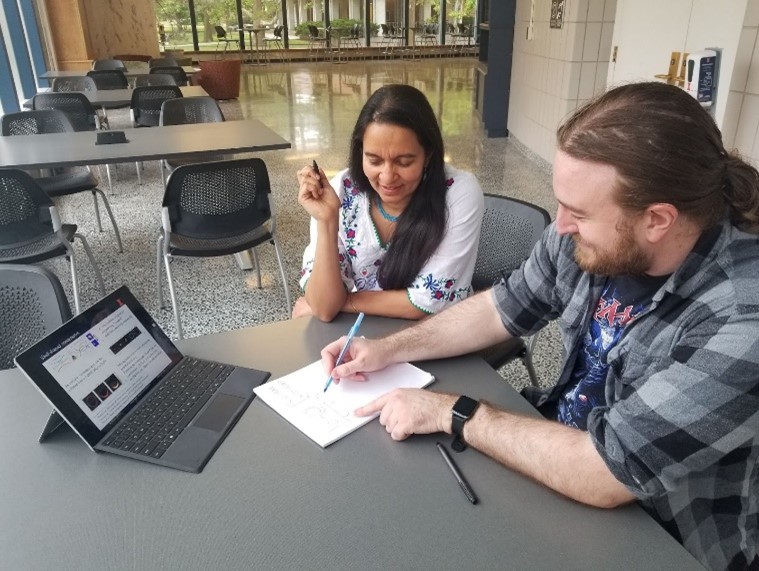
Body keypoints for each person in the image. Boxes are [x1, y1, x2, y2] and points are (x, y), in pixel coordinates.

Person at [319, 82, 759, 570]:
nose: (561, 224)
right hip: (553, 465)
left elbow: (608, 471)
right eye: (561, 203)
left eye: (581, 212)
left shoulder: (741, 315)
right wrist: (388, 350)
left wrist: (453, 412)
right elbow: (500, 308)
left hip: (661, 535)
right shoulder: (585, 239)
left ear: (657, 219)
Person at [294, 84, 484, 322]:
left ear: (429, 155)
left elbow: (425, 302)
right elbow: (323, 308)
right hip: (360, 332)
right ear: (360, 151)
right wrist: (327, 220)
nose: (386, 177)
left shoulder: (459, 194)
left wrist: (343, 303)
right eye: (374, 160)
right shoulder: (341, 191)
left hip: (434, 335)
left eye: (404, 162)